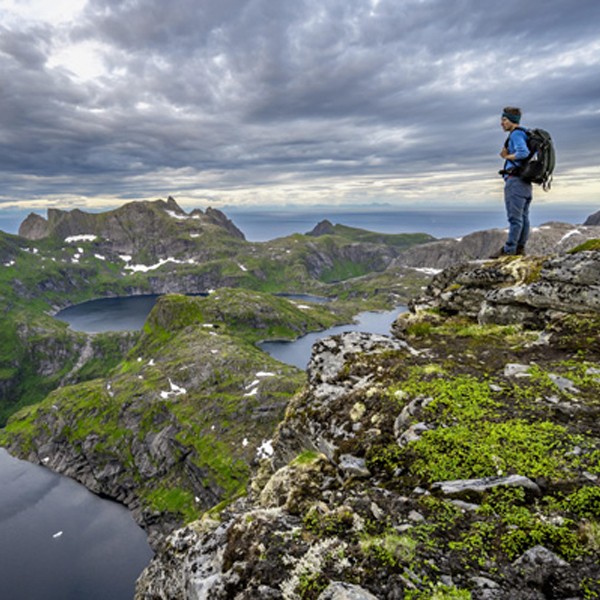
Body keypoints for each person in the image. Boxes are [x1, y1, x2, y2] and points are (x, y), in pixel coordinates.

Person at [490, 106, 532, 257]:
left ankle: (509, 250)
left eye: (504, 120)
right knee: (524, 217)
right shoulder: (525, 133)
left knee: (515, 219)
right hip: (525, 182)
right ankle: (520, 248)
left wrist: (506, 156)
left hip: (515, 181)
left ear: (512, 121)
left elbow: (523, 153)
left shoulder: (516, 135)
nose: (501, 123)